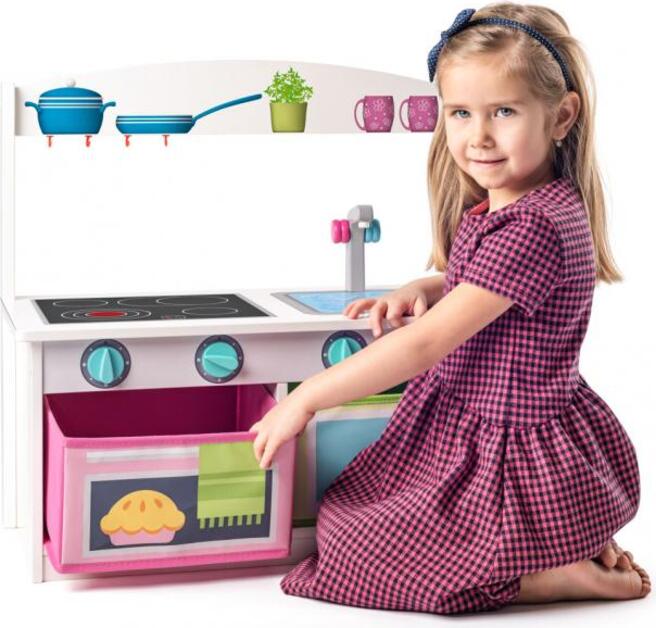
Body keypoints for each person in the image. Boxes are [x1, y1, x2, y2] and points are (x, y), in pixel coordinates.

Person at [247, 2, 650, 615]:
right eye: (460, 113)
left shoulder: (530, 227)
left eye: (503, 112)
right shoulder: (530, 205)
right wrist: (429, 285)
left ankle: (544, 578)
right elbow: (492, 289)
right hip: (483, 429)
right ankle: (551, 554)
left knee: (352, 542)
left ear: (562, 116)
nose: (477, 136)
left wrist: (305, 398)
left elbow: (421, 345)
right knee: (349, 510)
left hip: (503, 450)